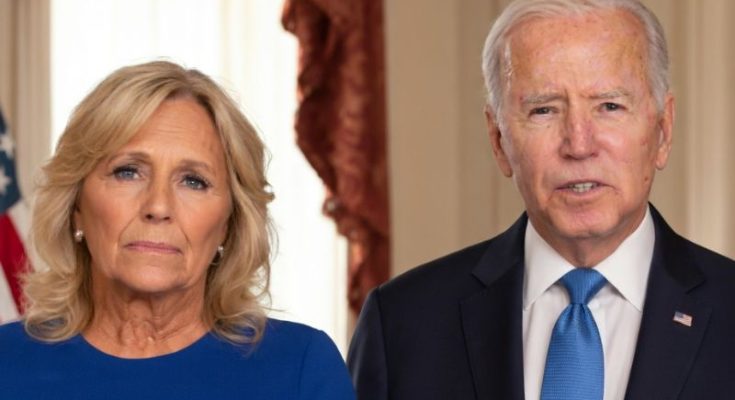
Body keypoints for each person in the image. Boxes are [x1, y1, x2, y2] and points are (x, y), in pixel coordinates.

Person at [348, 0, 735, 399]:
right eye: (544, 110)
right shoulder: (402, 323)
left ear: (663, 130)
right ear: (499, 140)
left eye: (609, 106)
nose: (579, 144)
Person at [0, 61, 355, 400]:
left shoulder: (300, 368)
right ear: (76, 207)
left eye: (193, 181)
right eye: (128, 171)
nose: (158, 206)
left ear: (228, 224)